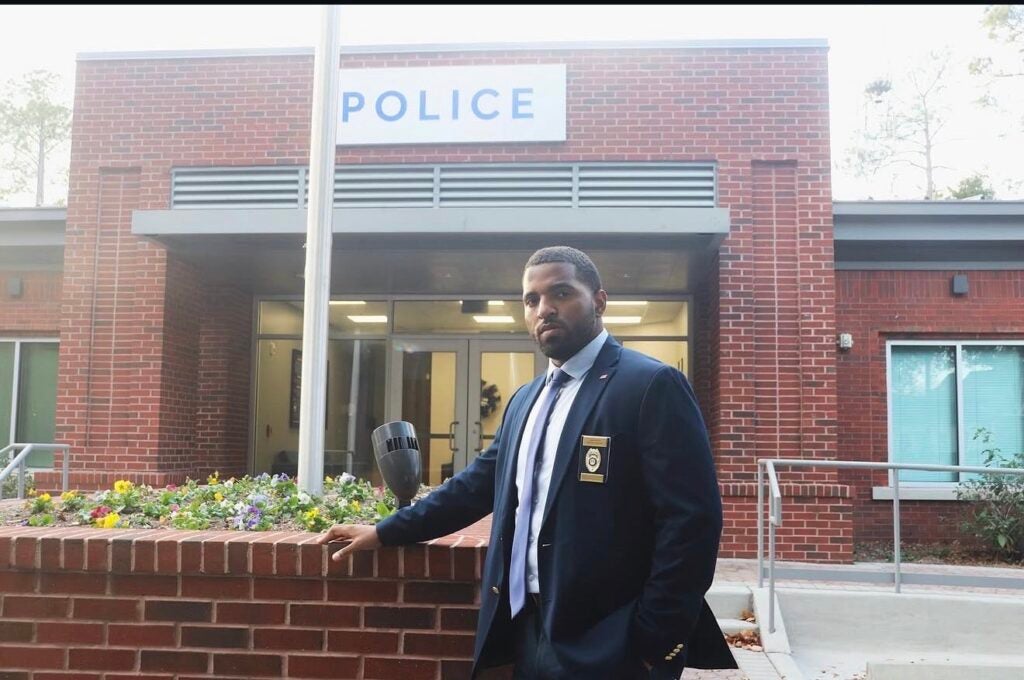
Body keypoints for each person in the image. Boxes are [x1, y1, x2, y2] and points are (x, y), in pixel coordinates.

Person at [316, 246, 735, 679]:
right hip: (524, 629)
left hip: (612, 642)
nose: (544, 309)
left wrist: (654, 637)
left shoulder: (650, 385)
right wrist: (386, 531)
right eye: (531, 300)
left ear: (600, 301)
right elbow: (477, 486)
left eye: (561, 293)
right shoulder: (526, 399)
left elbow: (692, 521)